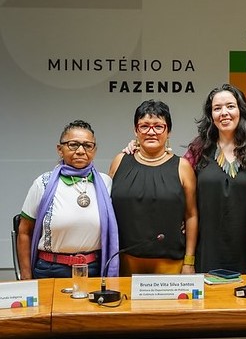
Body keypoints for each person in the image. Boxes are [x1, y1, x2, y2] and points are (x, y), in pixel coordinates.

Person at [184, 84, 246, 274]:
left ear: (241, 110)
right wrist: (136, 148)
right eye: (217, 108)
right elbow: (179, 188)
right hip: (206, 253)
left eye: (230, 106)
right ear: (210, 116)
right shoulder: (197, 151)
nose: (224, 113)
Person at [17, 120, 119, 279]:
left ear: (95, 150)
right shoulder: (43, 183)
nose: (80, 151)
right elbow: (24, 232)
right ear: (60, 149)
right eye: (73, 145)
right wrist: (25, 275)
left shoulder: (106, 183)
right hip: (50, 270)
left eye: (87, 145)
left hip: (93, 269)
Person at [109, 100, 198, 275]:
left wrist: (189, 261)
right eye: (144, 126)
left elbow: (191, 215)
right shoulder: (120, 161)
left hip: (171, 264)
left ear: (168, 131)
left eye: (158, 126)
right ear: (136, 130)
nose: (151, 132)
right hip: (123, 263)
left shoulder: (182, 167)